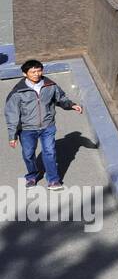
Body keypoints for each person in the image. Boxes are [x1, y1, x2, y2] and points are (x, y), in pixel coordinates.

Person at [5, 59, 83, 190]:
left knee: (50, 152)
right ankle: (32, 176)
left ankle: (53, 180)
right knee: (28, 154)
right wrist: (12, 136)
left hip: (47, 126)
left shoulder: (50, 85)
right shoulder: (18, 92)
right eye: (32, 71)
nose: (36, 74)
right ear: (25, 74)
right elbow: (12, 114)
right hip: (26, 129)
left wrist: (71, 105)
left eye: (39, 70)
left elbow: (61, 98)